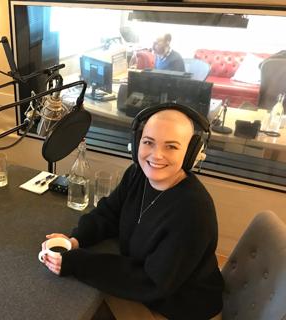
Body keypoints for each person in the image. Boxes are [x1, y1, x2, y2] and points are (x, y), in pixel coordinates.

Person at [40, 103, 224, 320]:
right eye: (148, 142)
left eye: (171, 147)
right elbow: (109, 213)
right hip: (148, 289)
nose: (156, 155)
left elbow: (151, 281)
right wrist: (76, 240)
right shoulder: (138, 175)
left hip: (178, 308)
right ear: (137, 142)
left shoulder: (193, 212)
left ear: (191, 153)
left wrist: (76, 263)